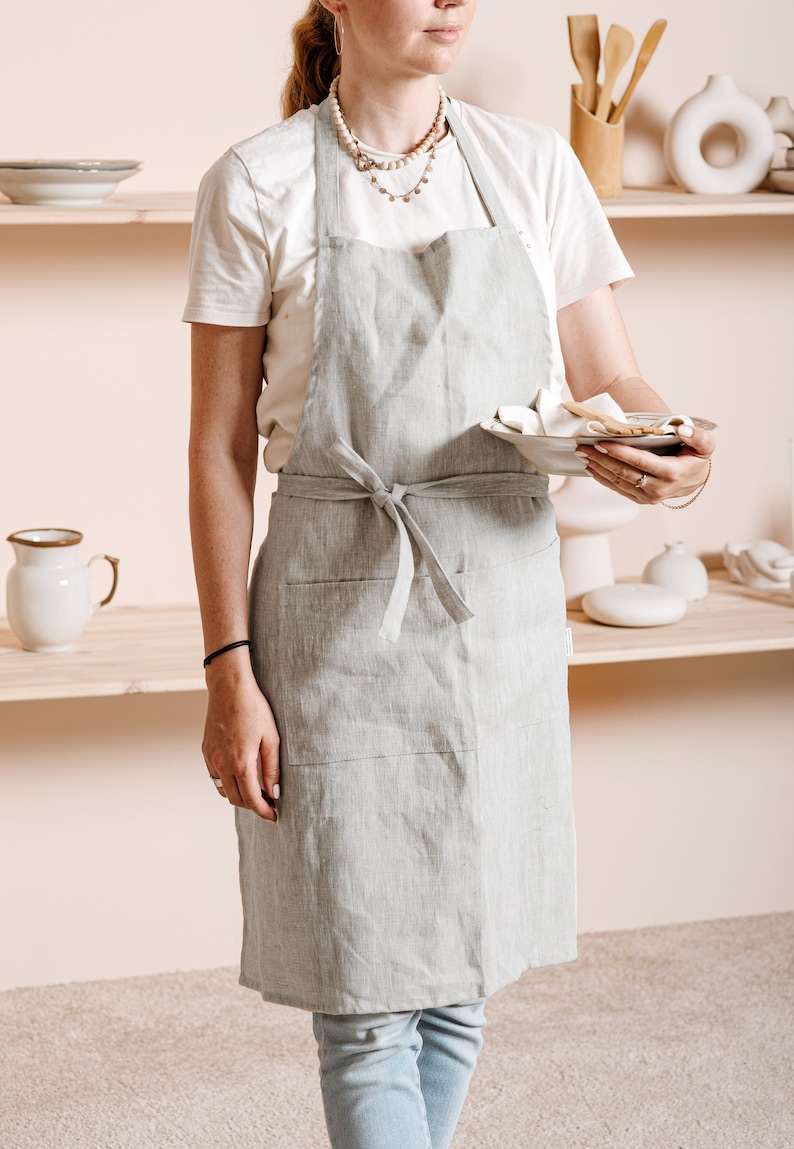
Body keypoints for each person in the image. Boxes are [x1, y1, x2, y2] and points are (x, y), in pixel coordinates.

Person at [184, 2, 716, 1145]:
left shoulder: (530, 167)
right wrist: (228, 666)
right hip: (334, 611)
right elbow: (220, 447)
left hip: (498, 608)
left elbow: (609, 377)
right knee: (366, 992)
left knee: (463, 974)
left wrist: (669, 450)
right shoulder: (256, 182)